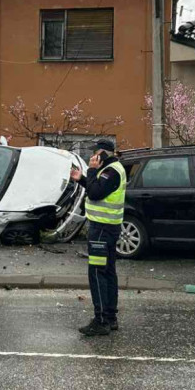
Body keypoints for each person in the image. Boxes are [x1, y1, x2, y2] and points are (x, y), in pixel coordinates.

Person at [70, 138, 126, 336]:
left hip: (102, 230)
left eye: (96, 153)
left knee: (97, 273)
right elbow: (98, 190)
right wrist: (82, 179)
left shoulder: (110, 171)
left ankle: (101, 320)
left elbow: (95, 194)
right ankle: (110, 317)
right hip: (107, 228)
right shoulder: (111, 170)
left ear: (103, 153)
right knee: (108, 272)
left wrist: (91, 172)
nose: (93, 157)